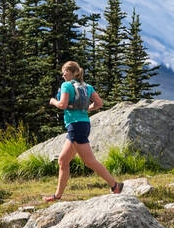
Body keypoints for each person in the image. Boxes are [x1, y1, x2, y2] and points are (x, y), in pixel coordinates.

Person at [43, 60, 123, 202]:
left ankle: (115, 185)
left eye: (65, 71)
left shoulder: (66, 85)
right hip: (83, 124)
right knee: (62, 160)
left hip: (75, 126)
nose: (63, 75)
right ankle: (57, 195)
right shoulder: (87, 87)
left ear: (73, 73)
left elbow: (62, 104)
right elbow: (99, 103)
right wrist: (87, 109)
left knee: (90, 161)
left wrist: (52, 101)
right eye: (62, 72)